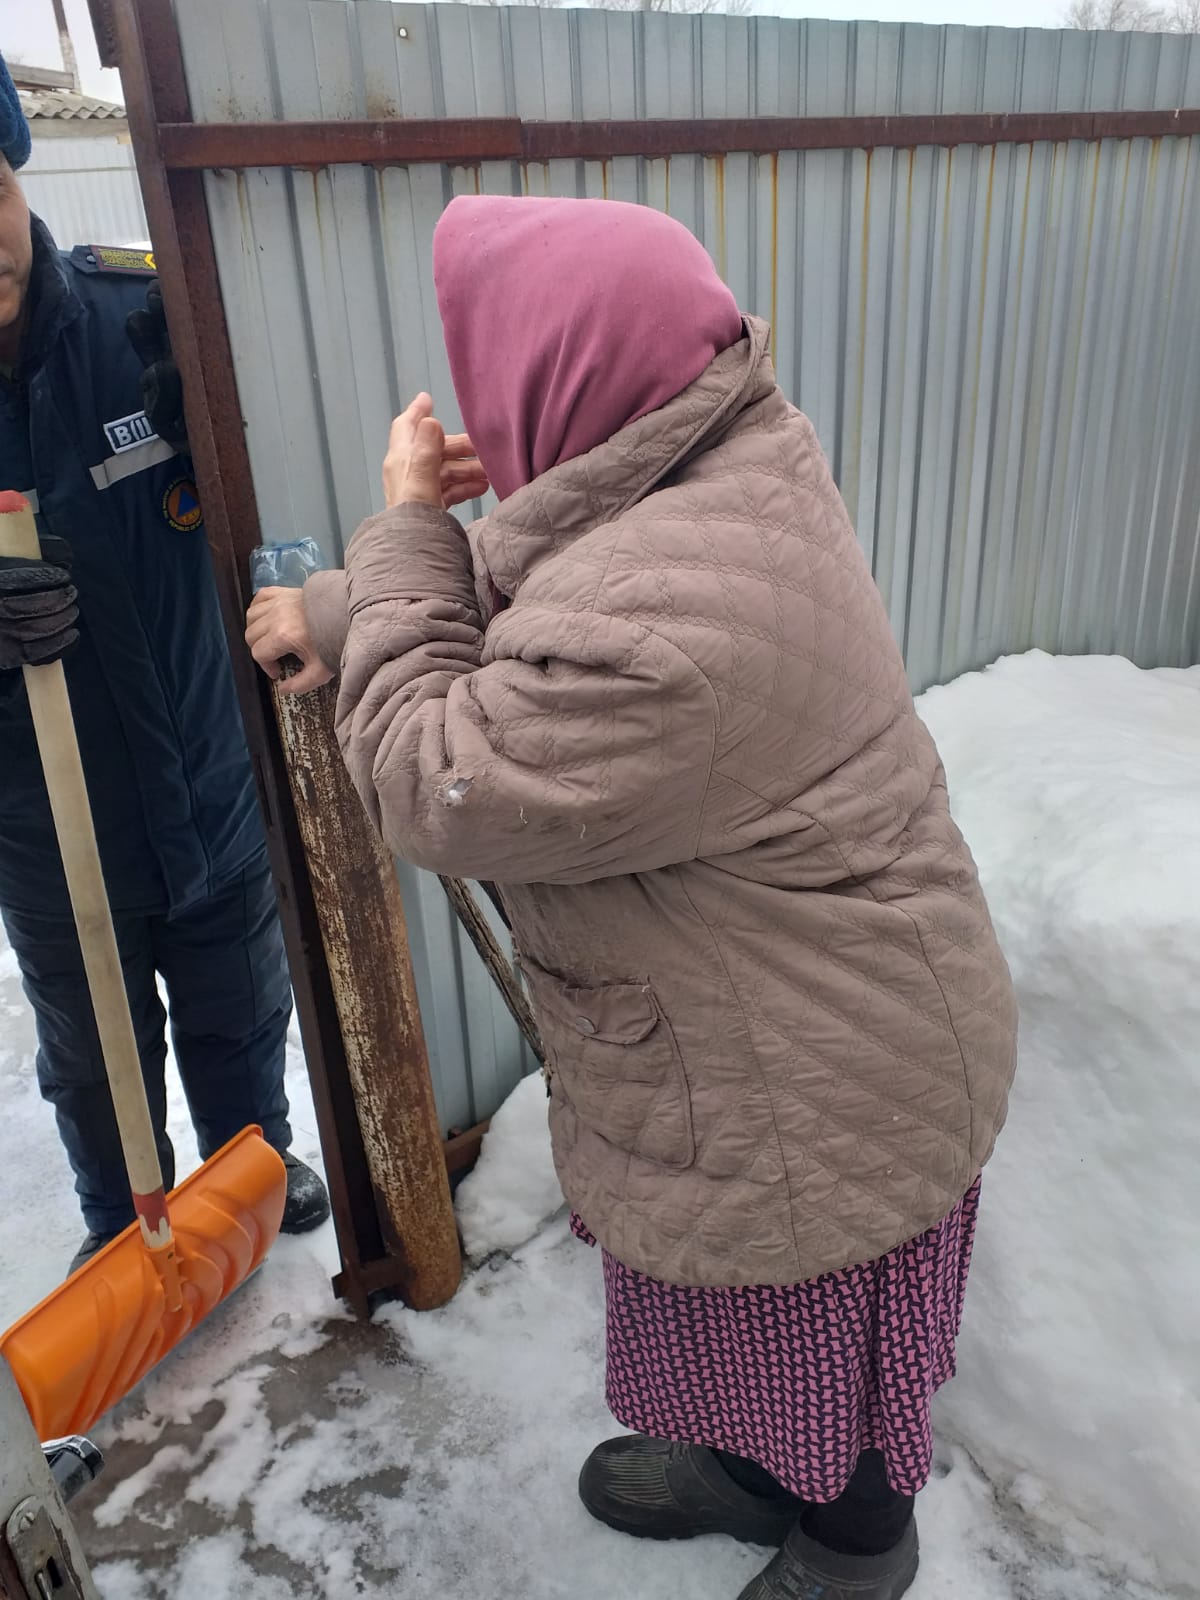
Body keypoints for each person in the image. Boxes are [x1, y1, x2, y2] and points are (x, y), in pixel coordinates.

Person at [248, 194, 1018, 1600]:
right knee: (772, 1342)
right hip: (806, 1030)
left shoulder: (664, 628)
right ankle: (756, 1463)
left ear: (563, 373)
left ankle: (858, 1547)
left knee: (816, 1344)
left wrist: (404, 525)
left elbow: (439, 776)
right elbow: (537, 575)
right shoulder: (716, 455)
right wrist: (350, 604)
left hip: (816, 1083)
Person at [0, 57, 328, 1274]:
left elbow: (269, 466)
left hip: (201, 759)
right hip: (47, 819)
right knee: (94, 1047)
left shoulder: (146, 316)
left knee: (239, 1001)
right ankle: (118, 1224)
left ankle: (253, 1158)